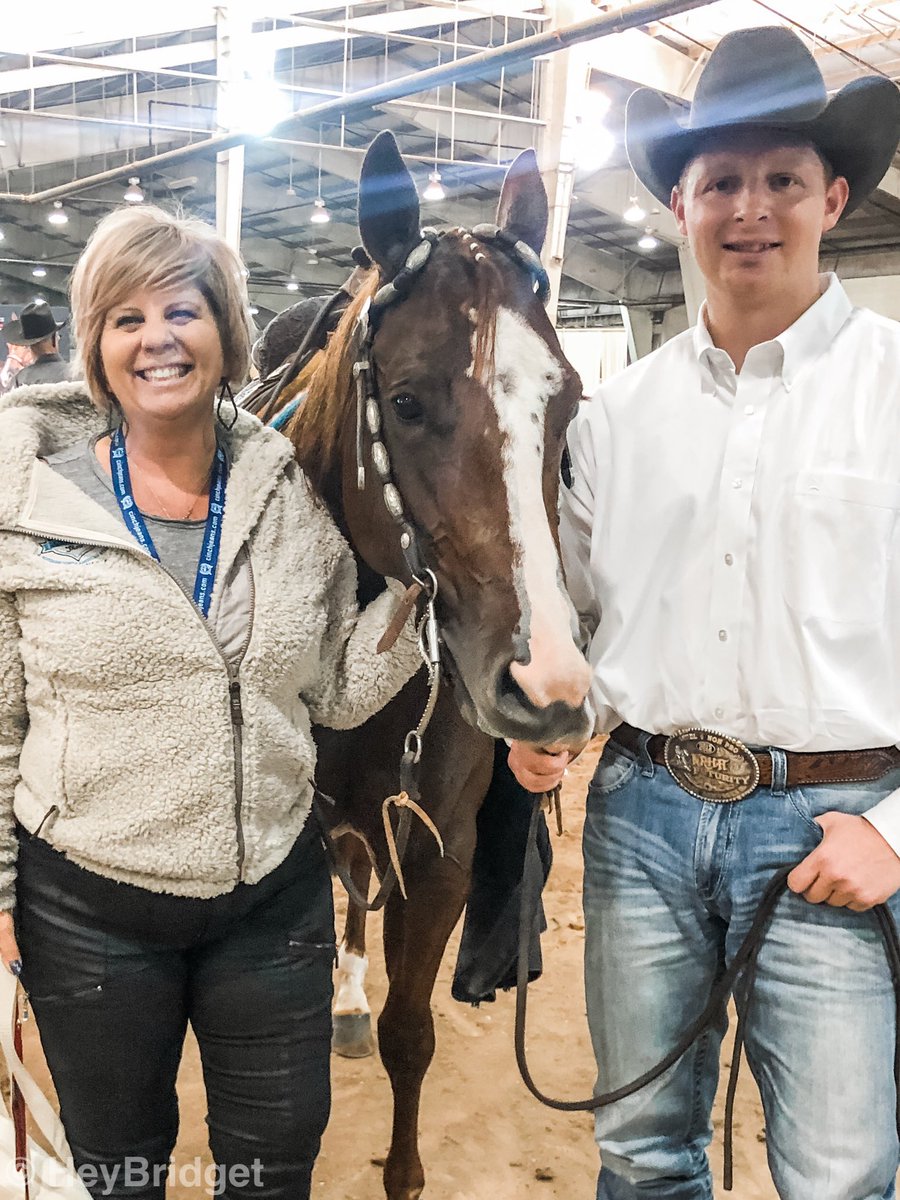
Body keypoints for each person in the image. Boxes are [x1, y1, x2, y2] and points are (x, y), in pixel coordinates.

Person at [508, 26, 900, 1200]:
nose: (750, 208)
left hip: (836, 826)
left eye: (781, 179)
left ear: (833, 198)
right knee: (639, 1151)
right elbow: (577, 621)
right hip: (645, 811)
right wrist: (545, 725)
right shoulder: (614, 418)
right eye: (720, 181)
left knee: (838, 1174)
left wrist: (896, 832)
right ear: (680, 204)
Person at [0, 204, 422, 1200]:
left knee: (274, 1172)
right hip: (87, 908)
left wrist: (425, 601)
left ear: (228, 334)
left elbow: (334, 690)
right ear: (96, 347)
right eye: (127, 318)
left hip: (270, 901)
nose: (157, 338)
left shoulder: (288, 498)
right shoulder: (27, 505)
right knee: (122, 1171)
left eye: (182, 311)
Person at [5, 299, 70, 386]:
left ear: (28, 344)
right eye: (58, 336)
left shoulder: (19, 380)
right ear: (54, 338)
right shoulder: (74, 374)